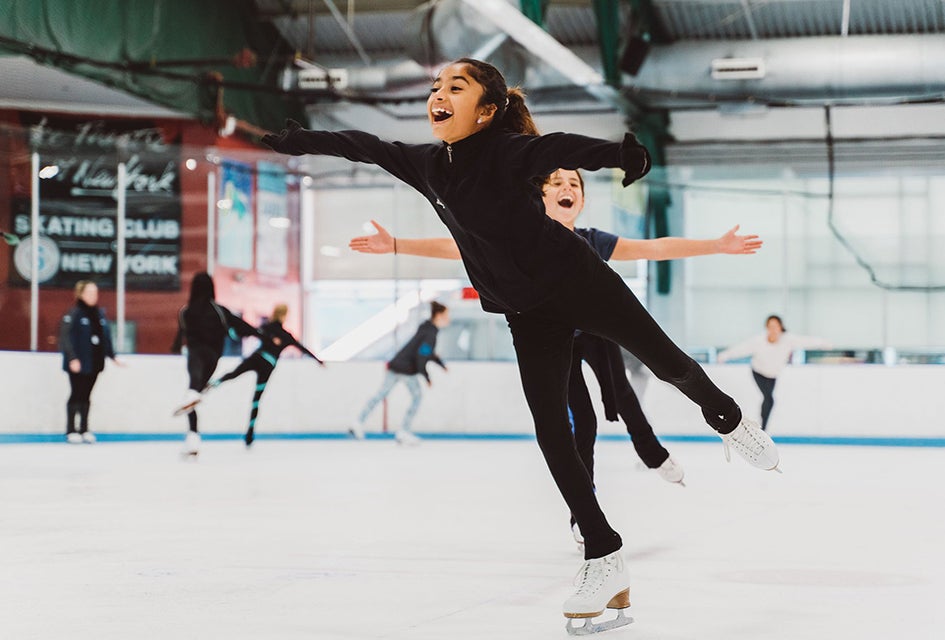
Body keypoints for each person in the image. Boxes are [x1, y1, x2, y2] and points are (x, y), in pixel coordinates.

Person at [262, 57, 779, 630]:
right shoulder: (427, 164)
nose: (438, 94)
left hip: (580, 283)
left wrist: (619, 155)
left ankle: (728, 418)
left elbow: (557, 147)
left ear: (487, 111)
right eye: (436, 86)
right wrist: (302, 141)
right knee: (552, 431)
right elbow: (366, 146)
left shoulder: (506, 152)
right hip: (527, 314)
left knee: (667, 363)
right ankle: (603, 553)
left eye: (455, 86)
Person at [349, 168, 763, 546]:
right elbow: (456, 245)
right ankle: (583, 514)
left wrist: (716, 245)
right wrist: (396, 244)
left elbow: (651, 248)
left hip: (596, 332)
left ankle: (652, 453)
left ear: (581, 200)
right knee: (583, 423)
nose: (568, 188)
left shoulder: (592, 240)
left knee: (620, 392)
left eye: (575, 184)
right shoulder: (515, 242)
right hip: (556, 339)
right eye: (557, 183)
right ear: (539, 196)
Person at [197, 303, 325, 447]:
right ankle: (250, 433)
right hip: (267, 365)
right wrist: (318, 360)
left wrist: (232, 330)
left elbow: (248, 331)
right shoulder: (286, 336)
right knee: (256, 400)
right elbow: (302, 348)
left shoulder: (266, 328)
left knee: (233, 374)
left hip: (257, 358)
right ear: (284, 316)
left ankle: (213, 383)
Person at [171, 272, 262, 456]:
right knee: (194, 393)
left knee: (193, 388)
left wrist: (175, 348)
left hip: (195, 357)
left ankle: (193, 436)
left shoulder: (186, 312)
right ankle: (192, 435)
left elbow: (179, 339)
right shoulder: (219, 311)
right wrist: (261, 334)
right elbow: (241, 326)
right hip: (212, 359)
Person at [349, 301, 449, 445]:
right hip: (406, 369)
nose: (448, 319)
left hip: (396, 364)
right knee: (417, 397)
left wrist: (440, 364)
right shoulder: (430, 333)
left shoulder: (426, 328)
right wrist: (427, 377)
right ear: (439, 316)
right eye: (446, 315)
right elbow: (422, 356)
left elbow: (425, 352)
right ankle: (404, 431)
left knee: (381, 394)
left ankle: (358, 422)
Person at [718, 314, 830, 430]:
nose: (773, 330)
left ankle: (763, 427)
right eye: (770, 327)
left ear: (781, 327)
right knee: (769, 399)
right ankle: (763, 428)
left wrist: (822, 343)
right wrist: (725, 355)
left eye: (775, 326)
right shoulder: (759, 341)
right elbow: (742, 349)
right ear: (767, 328)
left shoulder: (788, 339)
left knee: (768, 400)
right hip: (758, 372)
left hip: (772, 376)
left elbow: (805, 341)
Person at [58, 281, 122, 443]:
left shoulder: (99, 314)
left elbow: (105, 336)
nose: (94, 296)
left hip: (95, 362)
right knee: (77, 393)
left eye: (95, 293)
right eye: (90, 292)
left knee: (86, 395)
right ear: (81, 294)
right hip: (78, 362)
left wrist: (112, 355)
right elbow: (65, 337)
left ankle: (84, 428)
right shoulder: (74, 313)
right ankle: (71, 429)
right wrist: (72, 358)